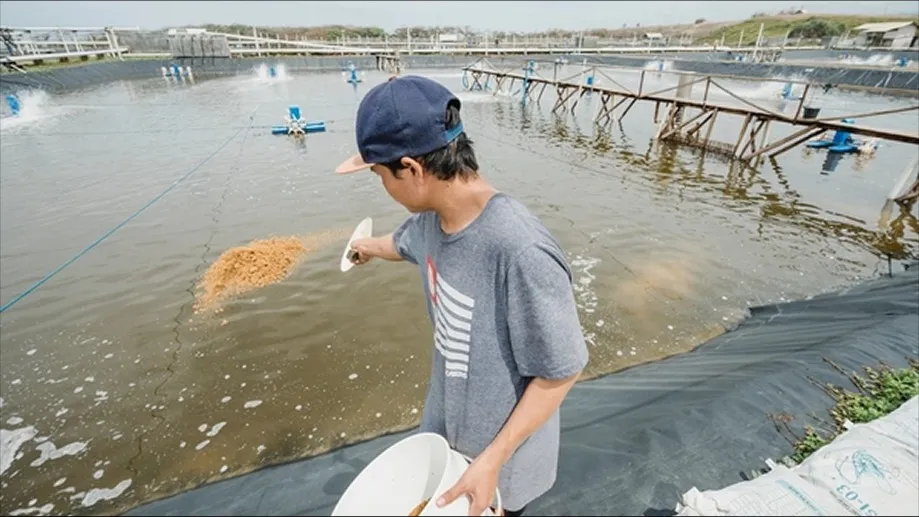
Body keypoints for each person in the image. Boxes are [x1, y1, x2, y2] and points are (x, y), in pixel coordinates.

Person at [334, 75, 589, 517]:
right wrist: (366, 248)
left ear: (412, 169)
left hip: (501, 465)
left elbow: (561, 372)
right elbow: (404, 243)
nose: (382, 186)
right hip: (448, 433)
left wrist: (492, 461)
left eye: (379, 175)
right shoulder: (431, 219)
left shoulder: (520, 249)